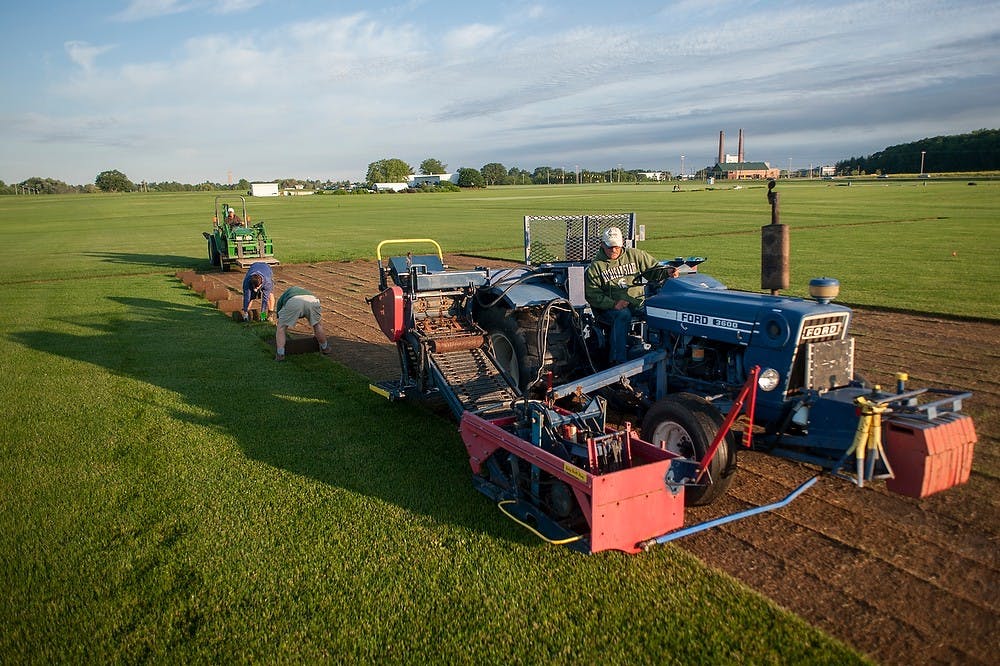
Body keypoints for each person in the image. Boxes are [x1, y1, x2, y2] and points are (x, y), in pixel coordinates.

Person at [584, 226, 659, 365]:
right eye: (610, 247)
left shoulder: (636, 256)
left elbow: (654, 270)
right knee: (623, 315)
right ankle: (618, 360)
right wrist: (613, 304)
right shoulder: (596, 267)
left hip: (636, 303)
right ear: (602, 245)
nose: (613, 250)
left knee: (657, 312)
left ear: (622, 243)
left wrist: (667, 273)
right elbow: (593, 295)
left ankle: (662, 351)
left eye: (617, 247)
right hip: (608, 309)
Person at [274, 286, 332, 361]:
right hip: (312, 301)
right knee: (317, 325)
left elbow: (277, 304)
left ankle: (280, 354)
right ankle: (325, 348)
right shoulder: (306, 292)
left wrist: (279, 318)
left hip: (294, 302)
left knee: (281, 327)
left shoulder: (283, 293)